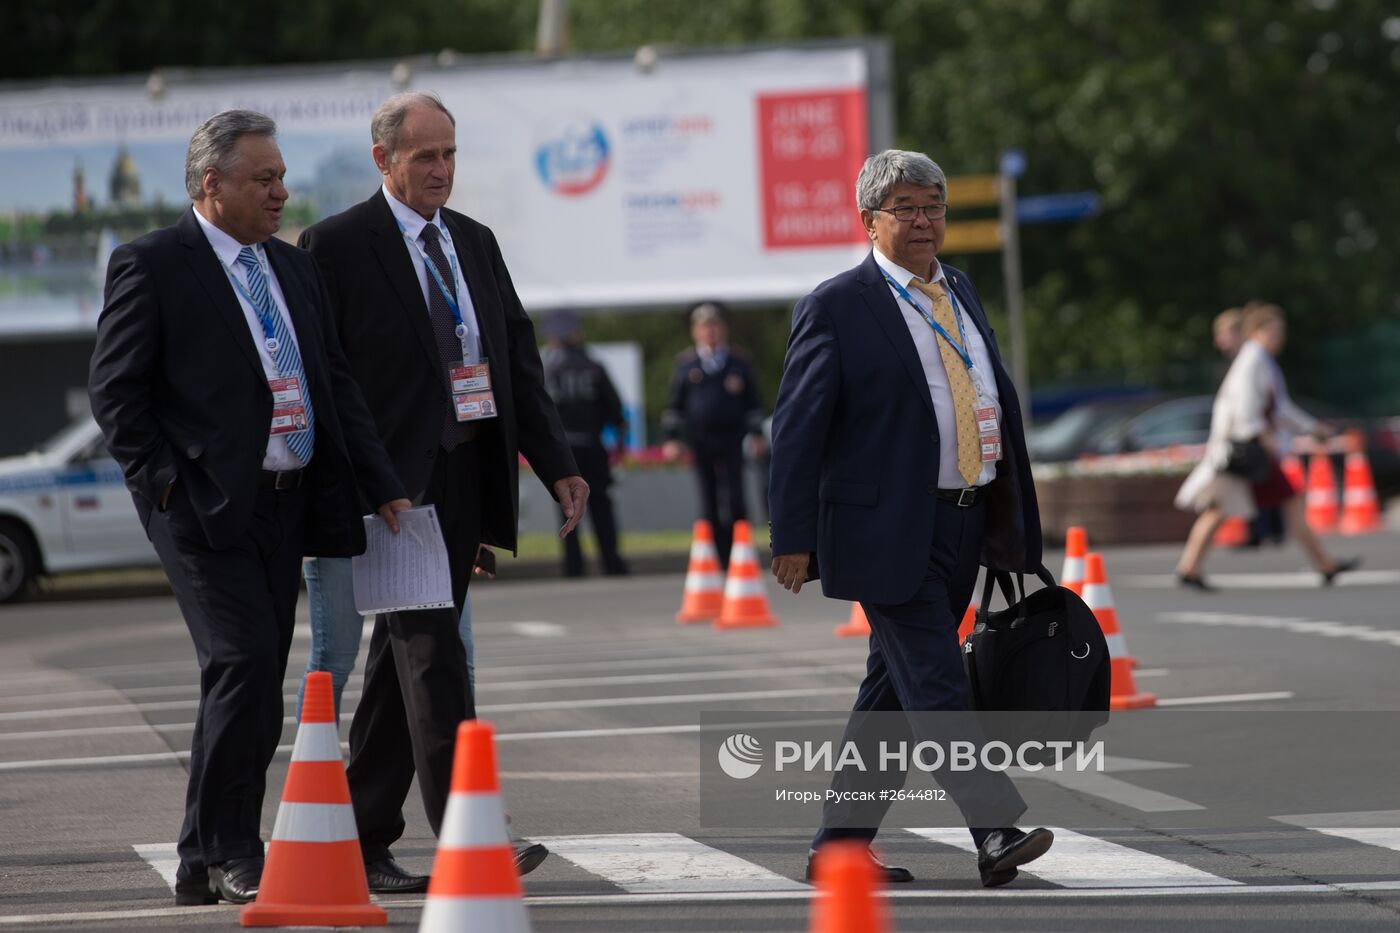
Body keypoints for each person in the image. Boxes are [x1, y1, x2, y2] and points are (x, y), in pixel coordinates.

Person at [87, 110, 411, 906]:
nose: (280, 191)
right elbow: (116, 392)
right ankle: (236, 848)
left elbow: (333, 383)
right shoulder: (155, 263)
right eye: (263, 179)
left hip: (285, 501)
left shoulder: (291, 268)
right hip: (201, 508)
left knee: (253, 671)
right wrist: (167, 484)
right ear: (212, 185)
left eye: (281, 175)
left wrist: (382, 482)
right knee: (243, 662)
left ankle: (199, 854)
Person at [297, 91, 586, 891]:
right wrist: (365, 481)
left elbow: (514, 358)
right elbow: (332, 377)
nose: (441, 169)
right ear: (383, 158)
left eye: (450, 153)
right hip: (390, 489)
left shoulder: (472, 241)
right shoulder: (338, 245)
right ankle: (471, 824)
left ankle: (359, 834)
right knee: (432, 649)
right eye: (425, 155)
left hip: (466, 476)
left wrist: (555, 460)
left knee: (401, 657)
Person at [768, 149, 1053, 887]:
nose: (924, 220)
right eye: (907, 208)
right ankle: (992, 828)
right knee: (935, 680)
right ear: (871, 220)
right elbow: (797, 429)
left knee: (890, 693)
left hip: (962, 518)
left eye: (934, 206)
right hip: (884, 527)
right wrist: (792, 537)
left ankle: (837, 848)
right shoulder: (837, 304)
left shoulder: (959, 287)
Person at [1174, 301, 1359, 590]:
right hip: (1250, 450)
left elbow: (1280, 408)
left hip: (1243, 450)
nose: (1280, 338)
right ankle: (1326, 564)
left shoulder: (1259, 361)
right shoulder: (1253, 362)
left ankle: (1189, 567)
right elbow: (1249, 410)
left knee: (1220, 509)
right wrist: (1265, 440)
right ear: (1258, 332)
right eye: (1274, 331)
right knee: (1290, 502)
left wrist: (1311, 428)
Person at [661, 301, 766, 565]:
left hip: (732, 438)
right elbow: (675, 407)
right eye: (705, 327)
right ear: (695, 332)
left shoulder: (737, 362)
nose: (711, 332)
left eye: (716, 326)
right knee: (707, 499)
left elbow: (753, 404)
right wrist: (672, 439)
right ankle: (713, 556)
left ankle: (740, 553)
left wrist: (756, 435)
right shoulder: (686, 365)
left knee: (736, 497)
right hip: (701, 439)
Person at [541, 310, 630, 577]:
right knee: (601, 505)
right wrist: (620, 447)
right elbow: (615, 412)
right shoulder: (594, 367)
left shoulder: (548, 370)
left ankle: (573, 566)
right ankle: (611, 562)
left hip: (562, 451)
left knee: (567, 508)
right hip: (592, 446)